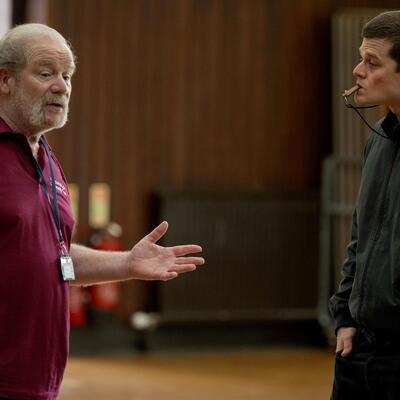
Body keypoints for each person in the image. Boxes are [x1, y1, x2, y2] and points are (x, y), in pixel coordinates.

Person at [0, 23, 204, 399]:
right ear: (5, 80)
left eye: (67, 75)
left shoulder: (45, 159)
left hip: (38, 383)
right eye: (45, 73)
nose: (62, 87)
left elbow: (54, 257)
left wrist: (127, 263)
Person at [329, 10, 400, 400]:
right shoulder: (379, 139)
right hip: (359, 349)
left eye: (372, 62)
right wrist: (345, 315)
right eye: (361, 58)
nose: (358, 70)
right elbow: (360, 237)